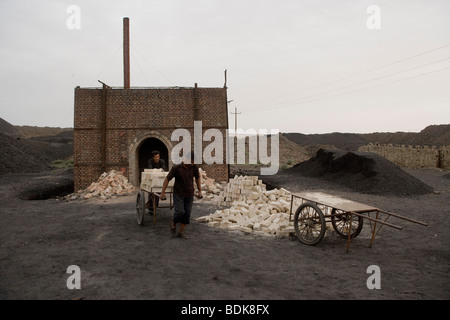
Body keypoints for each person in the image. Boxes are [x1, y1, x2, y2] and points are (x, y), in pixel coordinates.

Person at [160, 152, 202, 239]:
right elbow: (167, 179)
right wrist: (163, 192)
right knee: (180, 212)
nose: (193, 163)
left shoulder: (194, 167)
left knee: (187, 214)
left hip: (189, 194)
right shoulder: (176, 167)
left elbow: (197, 178)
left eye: (194, 162)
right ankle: (173, 223)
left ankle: (180, 232)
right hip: (178, 193)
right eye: (191, 161)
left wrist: (200, 190)